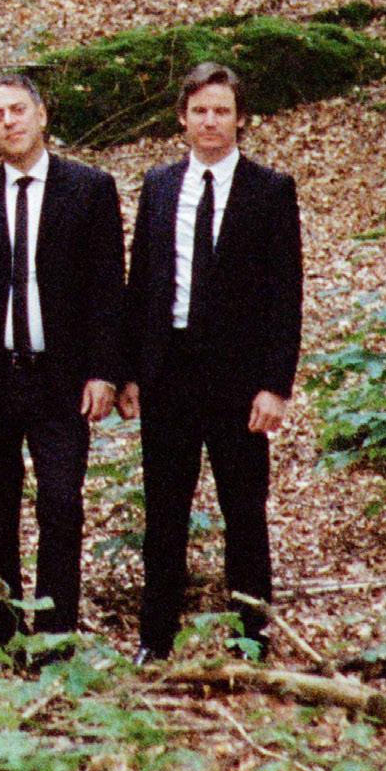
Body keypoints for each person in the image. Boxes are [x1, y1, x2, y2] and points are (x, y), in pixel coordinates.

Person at [0, 73, 125, 643]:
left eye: (18, 110)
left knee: (61, 503)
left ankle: (56, 632)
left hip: (61, 379)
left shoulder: (89, 189)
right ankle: (3, 632)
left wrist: (105, 371)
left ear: (41, 115)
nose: (9, 122)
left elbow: (107, 289)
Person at [120, 62, 303, 661]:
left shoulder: (269, 190)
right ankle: (156, 638)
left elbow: (285, 295)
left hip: (237, 378)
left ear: (240, 118)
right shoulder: (160, 185)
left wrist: (274, 385)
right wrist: (130, 370)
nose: (210, 121)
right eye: (199, 110)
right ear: (182, 117)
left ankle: (251, 636)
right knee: (165, 512)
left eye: (221, 110)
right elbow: (142, 283)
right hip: (168, 370)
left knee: (243, 511)